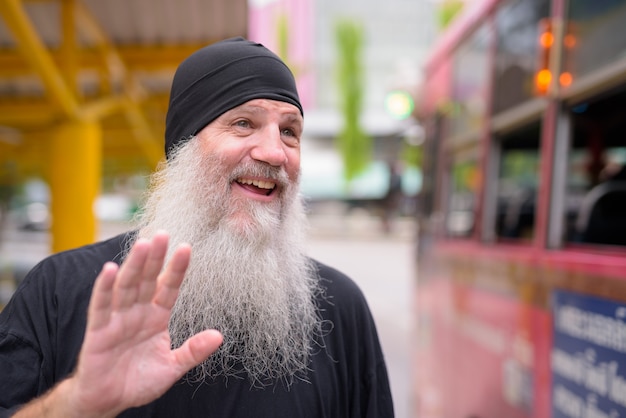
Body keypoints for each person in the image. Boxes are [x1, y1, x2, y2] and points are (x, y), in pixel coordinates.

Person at [0, 38, 394, 417]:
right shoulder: (60, 292)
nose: (275, 152)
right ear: (182, 151)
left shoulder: (339, 309)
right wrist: (75, 406)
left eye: (289, 131)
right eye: (243, 123)